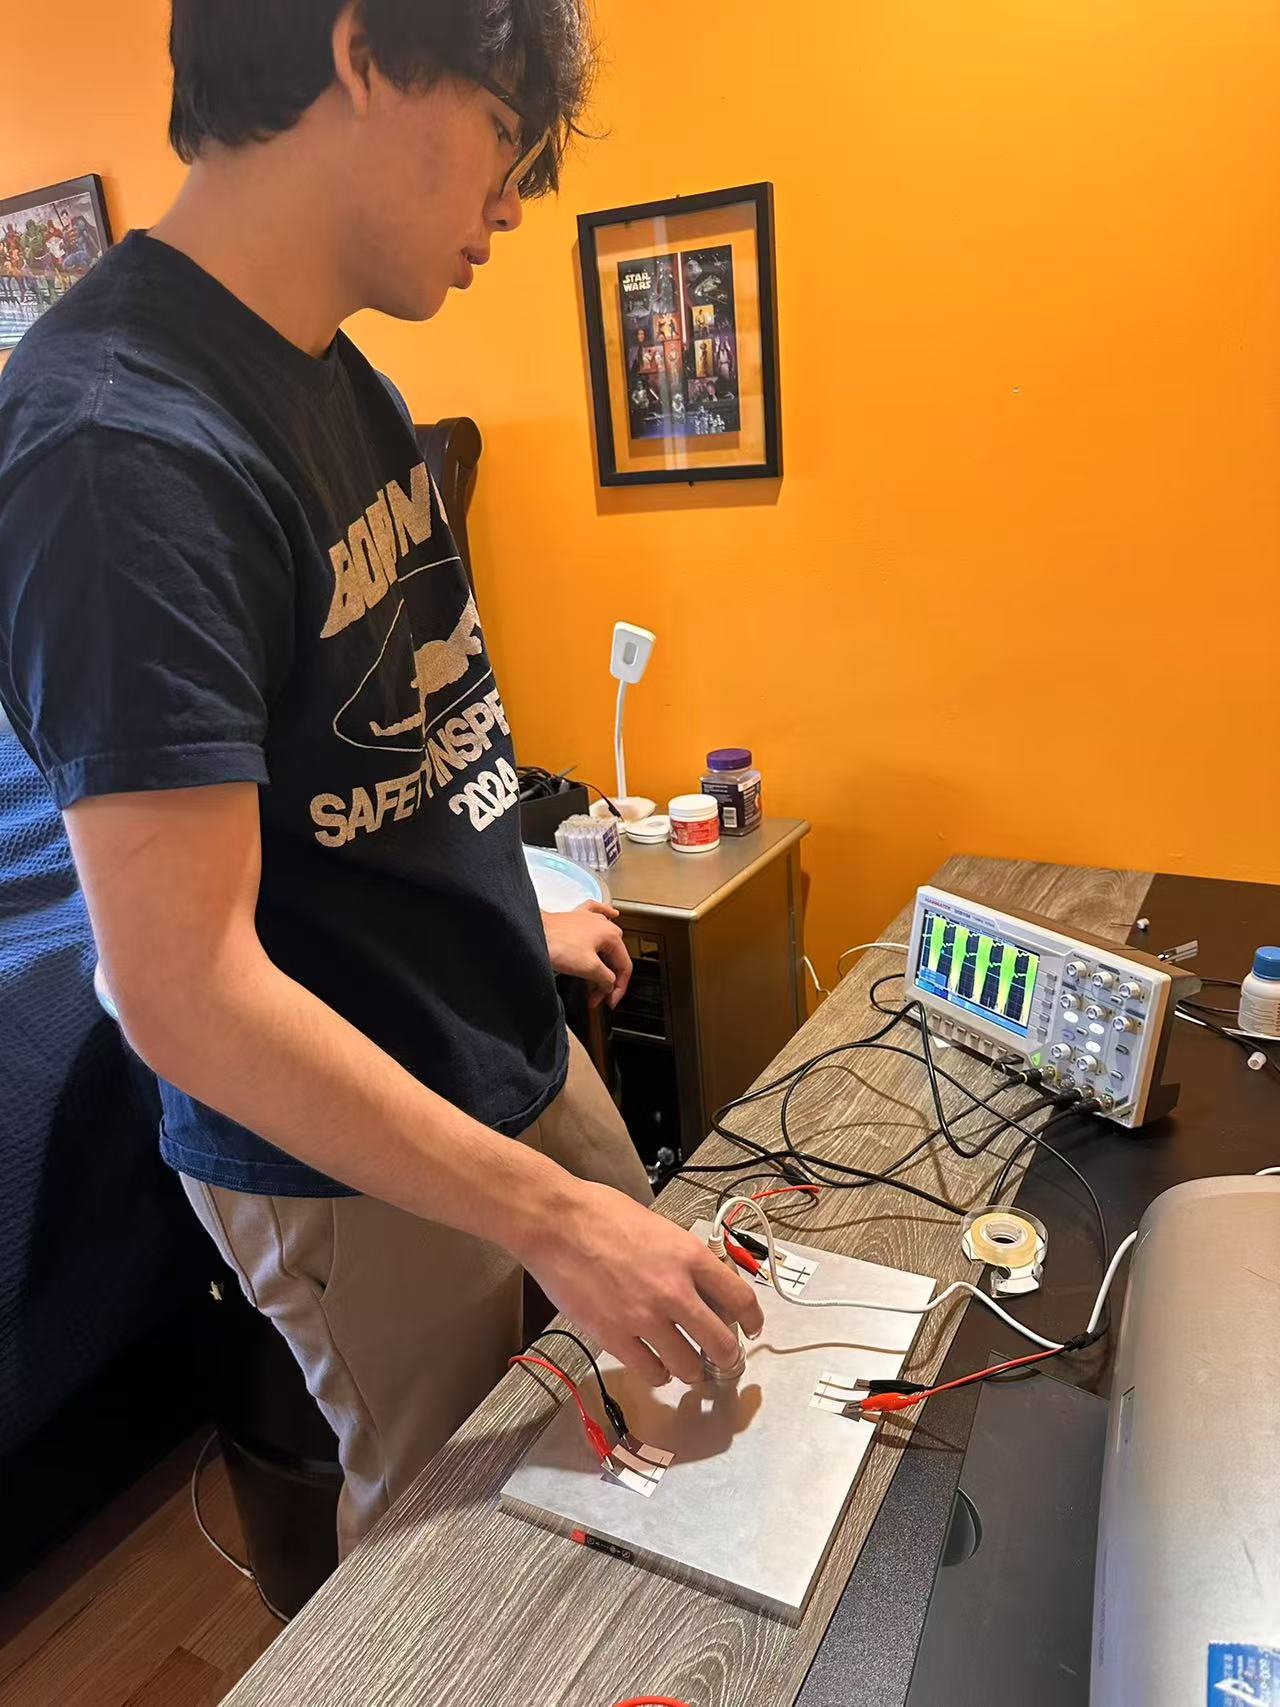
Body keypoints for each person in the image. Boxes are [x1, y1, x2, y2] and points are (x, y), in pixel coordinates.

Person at [0, 0, 762, 1559]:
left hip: (494, 1023)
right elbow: (179, 991)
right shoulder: (111, 451)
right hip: (340, 1154)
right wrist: (548, 1217)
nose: (512, 203)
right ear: (363, 53)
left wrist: (503, 907)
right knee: (449, 1551)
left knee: (670, 1392)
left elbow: (383, 753)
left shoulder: (342, 379)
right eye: (505, 139)